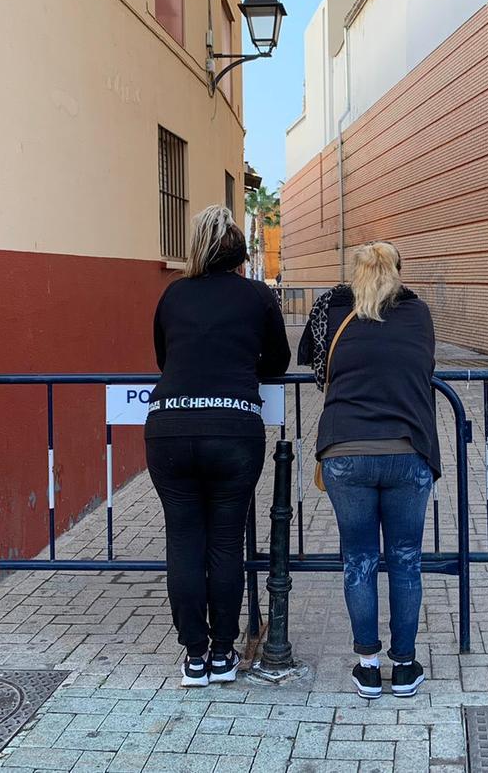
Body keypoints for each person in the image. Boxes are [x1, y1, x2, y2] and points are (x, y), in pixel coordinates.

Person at [145, 205, 290, 687]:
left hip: (169, 429)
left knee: (184, 540)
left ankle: (193, 656)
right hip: (233, 429)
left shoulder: (173, 295)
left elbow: (164, 358)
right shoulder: (257, 297)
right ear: (241, 256)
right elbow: (279, 361)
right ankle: (225, 652)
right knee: (226, 540)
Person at [296, 242, 441, 699]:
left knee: (358, 558)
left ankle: (366, 666)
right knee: (405, 559)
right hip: (407, 448)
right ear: (399, 273)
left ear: (354, 274)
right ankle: (404, 667)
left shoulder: (335, 315)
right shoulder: (418, 315)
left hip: (346, 450)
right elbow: (425, 367)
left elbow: (321, 372)